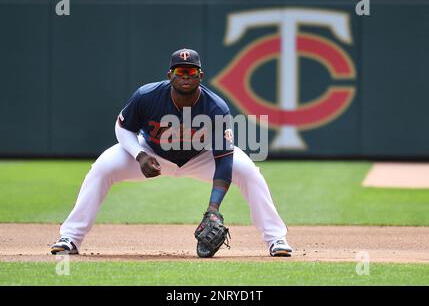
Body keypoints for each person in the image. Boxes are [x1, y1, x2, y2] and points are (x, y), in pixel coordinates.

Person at [51, 48, 293, 257]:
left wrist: (213, 208)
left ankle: (276, 240)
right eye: (180, 71)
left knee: (249, 172)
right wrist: (139, 155)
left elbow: (223, 161)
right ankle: (70, 238)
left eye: (191, 71)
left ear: (201, 76)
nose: (185, 76)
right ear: (169, 75)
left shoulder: (216, 107)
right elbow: (122, 128)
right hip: (151, 152)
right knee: (103, 168)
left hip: (201, 157)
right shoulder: (147, 96)